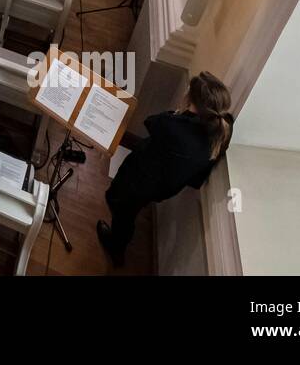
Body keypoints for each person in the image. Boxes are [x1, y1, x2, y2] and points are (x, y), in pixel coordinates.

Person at [97, 72, 234, 267]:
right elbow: (196, 180)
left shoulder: (173, 126)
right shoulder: (220, 132)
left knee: (119, 203)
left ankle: (116, 246)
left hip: (138, 178)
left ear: (193, 100)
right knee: (131, 206)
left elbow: (151, 121)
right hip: (161, 186)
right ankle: (121, 230)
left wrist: (180, 113)